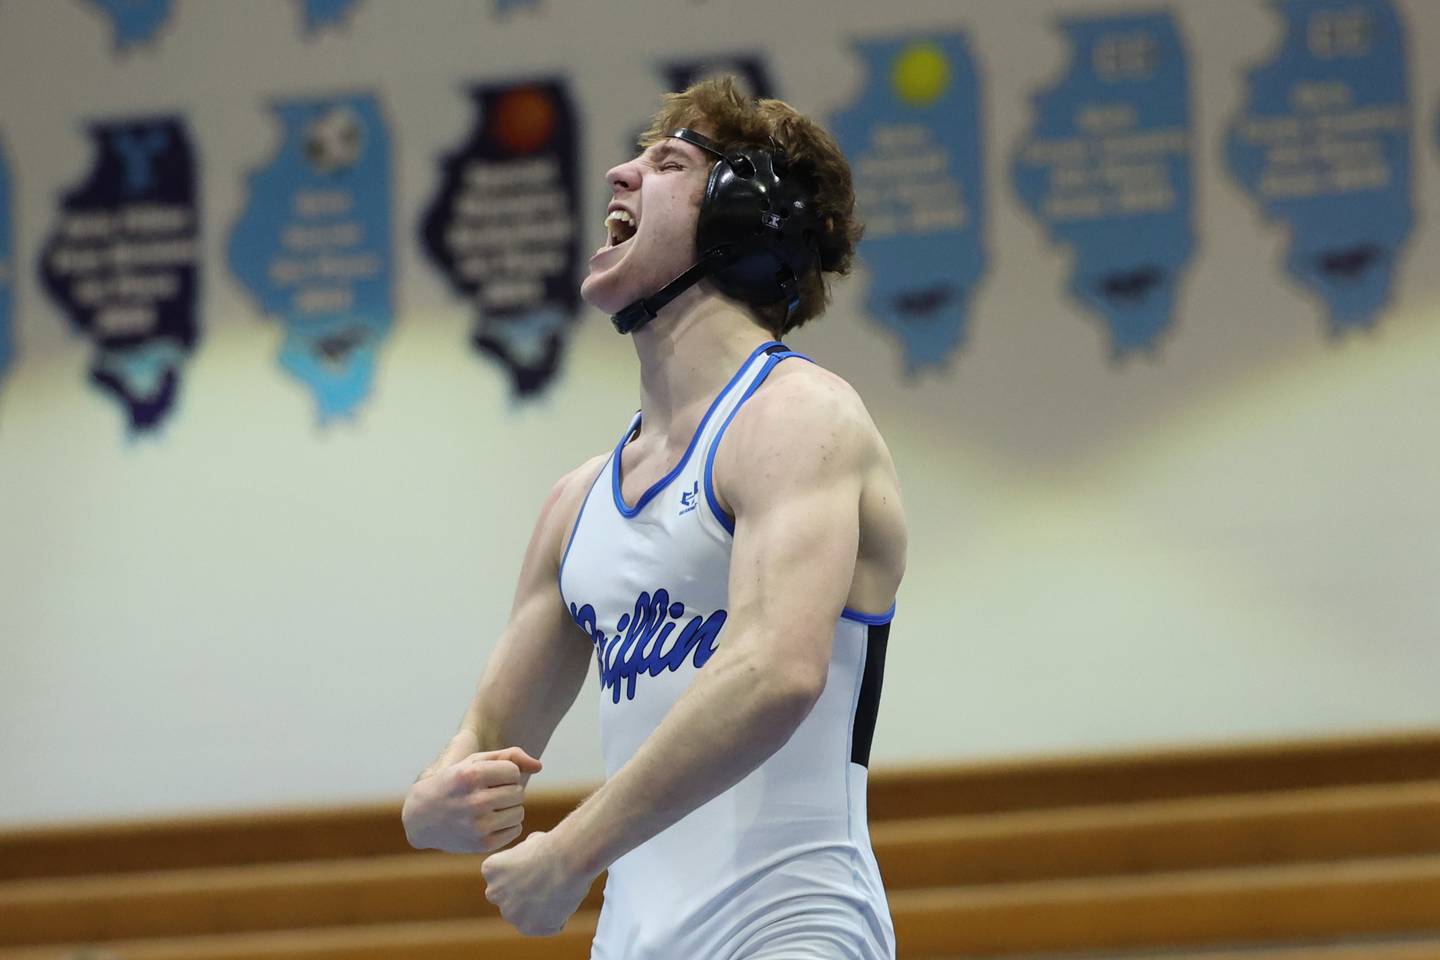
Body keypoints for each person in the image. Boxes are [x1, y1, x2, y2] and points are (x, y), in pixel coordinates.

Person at [401, 76, 908, 960]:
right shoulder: (576, 504)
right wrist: (431, 806)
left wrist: (569, 853)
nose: (616, 176)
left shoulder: (800, 417)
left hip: (790, 929)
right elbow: (487, 738)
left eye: (665, 162)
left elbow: (775, 673)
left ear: (746, 217)